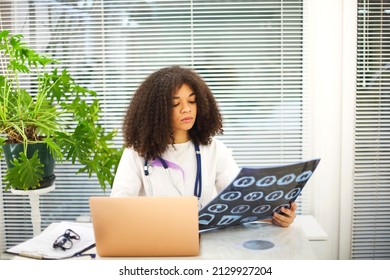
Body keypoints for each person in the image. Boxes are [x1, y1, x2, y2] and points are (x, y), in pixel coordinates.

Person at [111, 65, 297, 228]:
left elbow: (243, 203)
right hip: (157, 241)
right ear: (155, 112)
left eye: (192, 101)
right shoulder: (136, 154)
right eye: (175, 104)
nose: (187, 109)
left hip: (206, 242)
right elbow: (116, 212)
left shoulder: (214, 150)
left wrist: (275, 217)